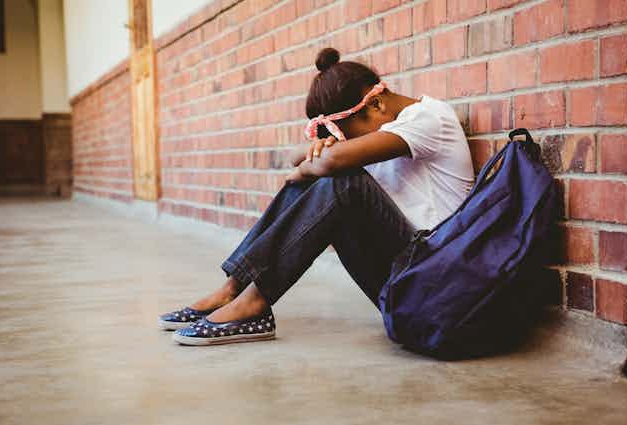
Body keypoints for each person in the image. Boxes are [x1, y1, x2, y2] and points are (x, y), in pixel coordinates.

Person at [159, 47, 475, 346]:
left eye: (348, 136)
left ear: (376, 105)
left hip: (437, 283)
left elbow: (332, 162)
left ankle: (254, 302)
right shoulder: (388, 125)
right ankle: (234, 289)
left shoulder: (429, 117)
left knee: (342, 181)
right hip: (402, 281)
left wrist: (315, 164)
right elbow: (297, 158)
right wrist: (312, 161)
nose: (345, 144)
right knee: (319, 179)